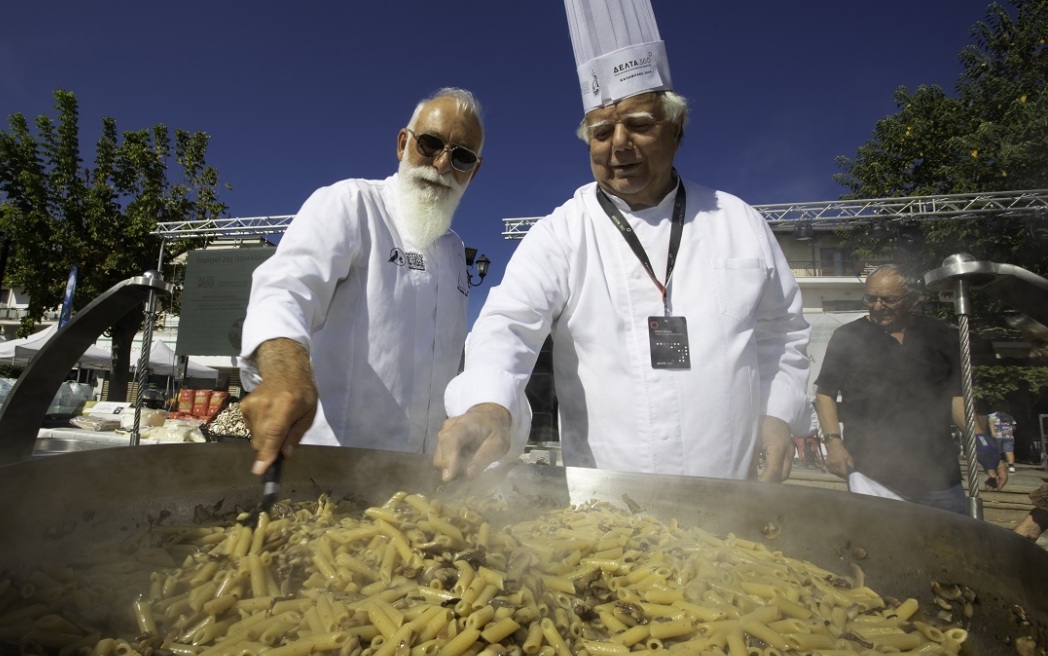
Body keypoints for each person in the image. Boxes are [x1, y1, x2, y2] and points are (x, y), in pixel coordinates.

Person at [432, 0, 810, 483]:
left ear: (675, 130)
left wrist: (777, 414)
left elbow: (784, 332)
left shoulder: (740, 222)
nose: (619, 145)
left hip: (731, 495)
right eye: (602, 131)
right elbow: (506, 326)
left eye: (639, 125)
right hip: (605, 507)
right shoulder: (561, 232)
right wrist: (487, 407)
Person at [238, 87, 484, 475]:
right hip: (330, 472)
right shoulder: (352, 204)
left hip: (421, 480)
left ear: (474, 170)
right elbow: (285, 288)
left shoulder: (455, 252)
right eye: (430, 144)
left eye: (462, 156)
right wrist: (284, 367)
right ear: (404, 143)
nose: (441, 164)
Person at [814, 264, 972, 514]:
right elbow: (825, 394)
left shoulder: (939, 334)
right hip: (873, 472)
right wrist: (833, 444)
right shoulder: (848, 336)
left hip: (939, 473)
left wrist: (981, 440)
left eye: (888, 300)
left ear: (912, 300)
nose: (877, 306)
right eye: (871, 298)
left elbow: (957, 397)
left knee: (951, 548)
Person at [987, 399, 1018, 473]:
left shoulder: (992, 415)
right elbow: (1014, 426)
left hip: (997, 435)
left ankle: (997, 465)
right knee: (1009, 451)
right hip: (1008, 435)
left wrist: (992, 432)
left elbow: (991, 423)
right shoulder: (1009, 416)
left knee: (997, 451)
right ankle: (1011, 466)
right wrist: (1010, 431)